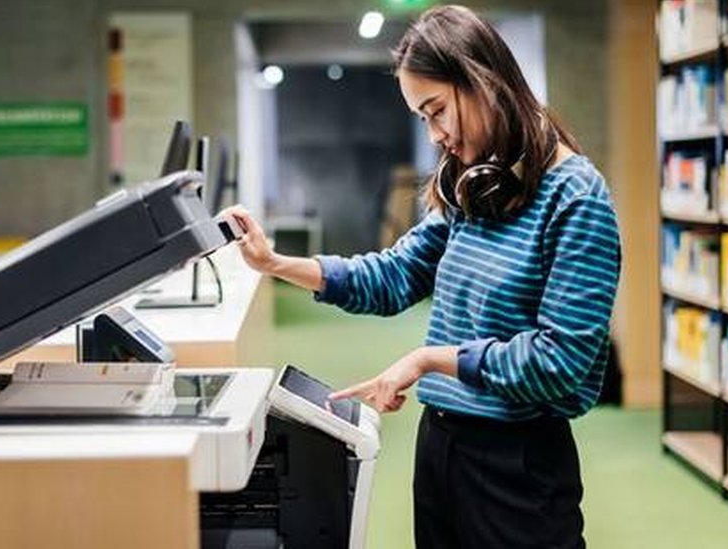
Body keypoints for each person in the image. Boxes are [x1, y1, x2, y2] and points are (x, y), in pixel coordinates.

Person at [226, 5, 620, 548]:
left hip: (519, 466)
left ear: (483, 83)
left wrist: (431, 359)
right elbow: (393, 275)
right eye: (422, 118)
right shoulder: (473, 185)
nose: (434, 135)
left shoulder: (576, 196)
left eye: (437, 110)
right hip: (442, 444)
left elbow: (561, 363)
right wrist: (274, 263)